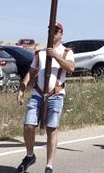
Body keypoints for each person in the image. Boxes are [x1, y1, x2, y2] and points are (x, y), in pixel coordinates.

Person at [16, 22, 75, 173]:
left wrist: (55, 55)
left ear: (61, 34)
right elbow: (31, 72)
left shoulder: (66, 52)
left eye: (56, 31)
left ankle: (49, 165)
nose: (53, 33)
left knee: (51, 130)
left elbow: (71, 68)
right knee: (29, 125)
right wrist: (22, 89)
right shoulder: (40, 53)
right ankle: (30, 156)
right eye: (51, 30)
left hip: (56, 95)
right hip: (37, 94)